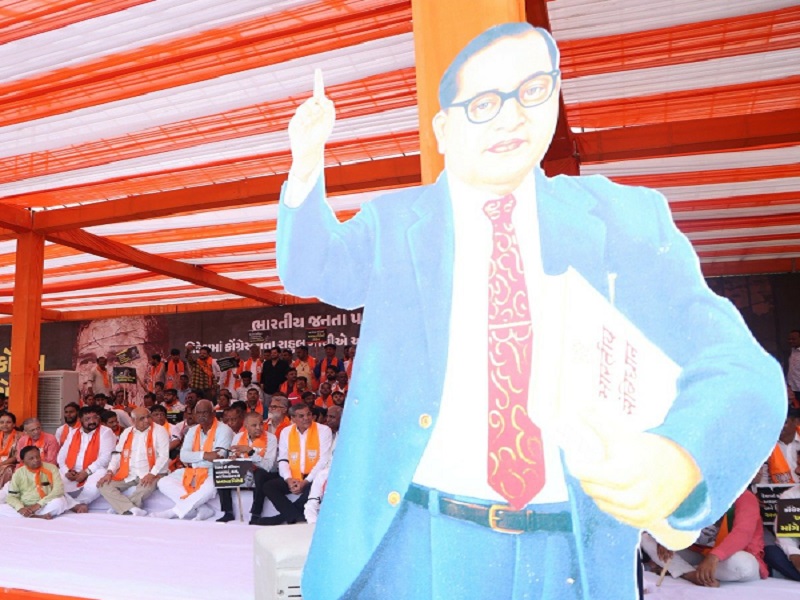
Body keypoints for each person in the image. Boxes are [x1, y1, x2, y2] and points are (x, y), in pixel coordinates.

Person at [277, 22, 785, 599]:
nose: (511, 117)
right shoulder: (397, 223)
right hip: (416, 545)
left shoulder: (623, 218)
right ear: (443, 128)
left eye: (533, 91)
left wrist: (679, 458)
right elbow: (314, 267)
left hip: (572, 553)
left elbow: (741, 367)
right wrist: (306, 162)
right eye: (486, 102)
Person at [641, 489, 768, 587]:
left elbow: (742, 533)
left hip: (728, 559)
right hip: (698, 554)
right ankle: (690, 574)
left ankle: (685, 570)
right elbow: (672, 521)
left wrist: (714, 557)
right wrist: (667, 538)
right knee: (647, 539)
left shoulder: (744, 497)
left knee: (743, 565)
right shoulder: (693, 493)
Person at [250, 404, 332, 526]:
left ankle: (280, 518)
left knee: (312, 490)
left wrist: (306, 481)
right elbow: (283, 459)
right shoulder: (286, 432)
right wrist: (288, 479)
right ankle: (296, 517)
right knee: (269, 486)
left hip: (314, 477)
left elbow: (323, 460)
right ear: (293, 419)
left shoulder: (323, 430)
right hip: (294, 476)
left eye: (308, 414)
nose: (306, 418)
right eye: (301, 416)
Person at [154, 399, 233, 520]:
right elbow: (184, 456)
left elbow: (218, 457)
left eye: (205, 412)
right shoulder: (192, 430)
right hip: (192, 471)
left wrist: (195, 457)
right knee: (163, 482)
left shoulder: (224, 430)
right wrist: (205, 455)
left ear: (213, 413)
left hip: (214, 471)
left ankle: (175, 511)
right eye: (199, 413)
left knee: (210, 488)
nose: (201, 415)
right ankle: (202, 509)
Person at [98, 407, 169, 516]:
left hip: (152, 473)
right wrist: (109, 472)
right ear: (133, 421)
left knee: (144, 489)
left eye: (148, 417)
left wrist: (152, 473)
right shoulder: (127, 432)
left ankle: (122, 508)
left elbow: (164, 456)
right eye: (142, 418)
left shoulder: (160, 431)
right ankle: (131, 508)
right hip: (129, 473)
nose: (146, 420)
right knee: (103, 485)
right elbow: (117, 454)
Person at [217, 412, 277, 523]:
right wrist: (233, 458)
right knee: (223, 470)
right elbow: (232, 456)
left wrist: (250, 452)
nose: (258, 428)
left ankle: (256, 513)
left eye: (261, 424)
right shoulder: (238, 437)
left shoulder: (271, 439)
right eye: (254, 425)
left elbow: (268, 466)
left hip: (265, 473)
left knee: (259, 474)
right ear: (246, 427)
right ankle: (227, 512)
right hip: (245, 470)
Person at [56, 405, 116, 512]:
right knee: (54, 482)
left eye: (95, 418)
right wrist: (66, 471)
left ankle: (78, 502)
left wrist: (87, 472)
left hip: (94, 470)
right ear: (80, 420)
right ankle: (74, 505)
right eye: (88, 419)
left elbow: (106, 457)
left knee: (101, 477)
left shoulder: (106, 432)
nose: (92, 421)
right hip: (73, 471)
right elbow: (61, 456)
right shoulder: (73, 433)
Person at [0, 446, 69, 519]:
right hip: (25, 505)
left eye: (38, 457)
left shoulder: (51, 468)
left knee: (60, 502)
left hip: (44, 504)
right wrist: (20, 508)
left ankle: (29, 515)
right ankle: (35, 516)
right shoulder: (18, 473)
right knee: (2, 508)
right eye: (31, 458)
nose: (36, 460)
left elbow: (58, 490)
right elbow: (12, 496)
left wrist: (38, 504)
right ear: (23, 462)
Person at [760, 406, 800, 483]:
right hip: (775, 493)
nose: (778, 426)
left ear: (796, 422)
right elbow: (762, 481)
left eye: (784, 422)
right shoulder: (765, 446)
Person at [0, 411, 19, 488]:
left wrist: (2, 464)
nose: (5, 425)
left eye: (8, 422)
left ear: (14, 424)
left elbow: (16, 456)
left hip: (11, 464)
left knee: (7, 470)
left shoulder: (19, 436)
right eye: (1, 422)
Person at [788, 330, 800, 403]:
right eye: (789, 339)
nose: (791, 341)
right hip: (793, 388)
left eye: (793, 339)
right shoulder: (793, 351)